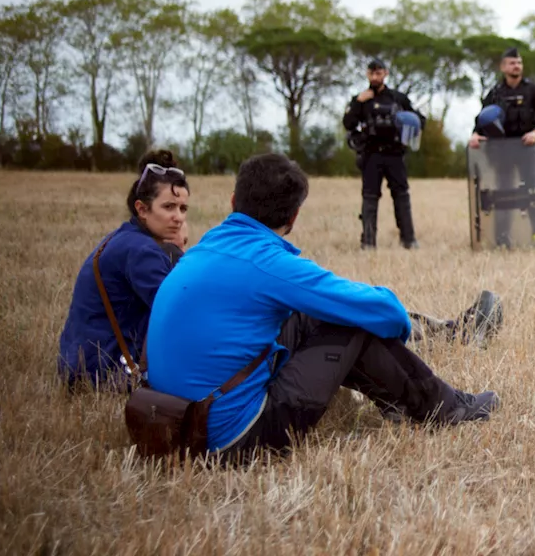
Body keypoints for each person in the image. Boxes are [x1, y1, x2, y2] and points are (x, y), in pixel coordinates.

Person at [145, 154, 501, 460]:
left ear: (234, 200)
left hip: (172, 425)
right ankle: (443, 407)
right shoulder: (268, 263)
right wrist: (401, 333)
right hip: (230, 439)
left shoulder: (207, 248)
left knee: (314, 313)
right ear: (294, 217)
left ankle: (400, 399)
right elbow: (386, 312)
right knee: (349, 321)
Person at [58, 150, 190, 390]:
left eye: (183, 208)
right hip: (103, 372)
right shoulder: (141, 251)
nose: (178, 218)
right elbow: (180, 312)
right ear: (142, 209)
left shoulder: (125, 238)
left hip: (79, 363)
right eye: (169, 206)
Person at [469, 47, 535, 247]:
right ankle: (502, 239)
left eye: (519, 63)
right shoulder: (495, 93)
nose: (517, 66)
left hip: (527, 151)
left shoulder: (533, 91)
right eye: (512, 63)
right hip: (502, 153)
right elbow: (482, 119)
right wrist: (475, 134)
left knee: (532, 193)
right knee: (503, 194)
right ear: (503, 67)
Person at [342, 58, 426, 250]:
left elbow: (419, 120)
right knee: (370, 198)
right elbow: (348, 123)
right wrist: (357, 103)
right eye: (371, 73)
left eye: (378, 73)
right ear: (367, 74)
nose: (375, 76)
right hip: (371, 155)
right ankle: (368, 242)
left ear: (386, 73)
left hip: (395, 154)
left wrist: (412, 124)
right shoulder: (361, 99)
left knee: (402, 196)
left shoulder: (398, 98)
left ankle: (409, 240)